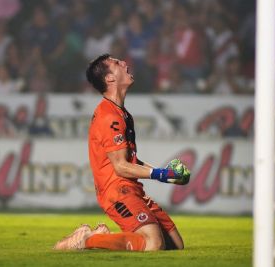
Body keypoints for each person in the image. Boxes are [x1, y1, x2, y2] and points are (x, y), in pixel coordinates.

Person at [53, 54, 190, 251]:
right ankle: (86, 240)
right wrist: (160, 174)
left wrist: (166, 174)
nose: (124, 63)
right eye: (117, 63)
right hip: (117, 191)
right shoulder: (109, 116)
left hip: (131, 188)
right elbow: (121, 166)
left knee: (175, 245)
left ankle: (101, 238)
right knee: (154, 244)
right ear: (109, 78)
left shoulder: (122, 114)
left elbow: (129, 159)